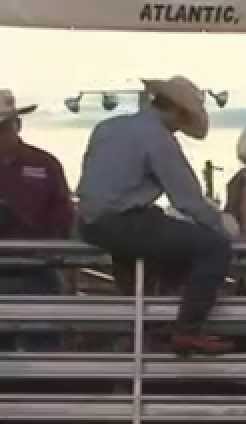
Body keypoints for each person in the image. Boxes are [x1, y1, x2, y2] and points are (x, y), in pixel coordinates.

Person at [76, 76, 234, 355]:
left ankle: (153, 328)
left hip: (90, 222)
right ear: (177, 111)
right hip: (124, 221)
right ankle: (187, 329)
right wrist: (221, 229)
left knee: (155, 247)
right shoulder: (159, 139)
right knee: (214, 248)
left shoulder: (108, 127)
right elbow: (187, 198)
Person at [0, 89, 73, 351]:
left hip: (38, 267)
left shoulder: (45, 163)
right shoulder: (44, 163)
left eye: (2, 127)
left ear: (16, 125)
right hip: (27, 265)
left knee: (44, 338)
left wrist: (55, 246)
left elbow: (63, 212)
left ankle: (43, 386)